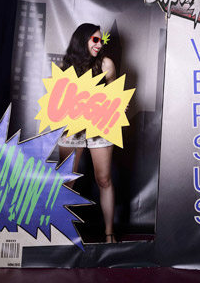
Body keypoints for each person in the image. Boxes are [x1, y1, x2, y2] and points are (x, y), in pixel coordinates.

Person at [58, 23, 118, 244]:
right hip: (73, 126)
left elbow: (115, 94)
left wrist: (119, 105)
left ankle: (109, 233)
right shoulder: (66, 66)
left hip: (100, 126)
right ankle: (60, 233)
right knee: (67, 179)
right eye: (95, 39)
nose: (99, 44)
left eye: (101, 40)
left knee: (104, 179)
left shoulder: (106, 64)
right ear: (82, 40)